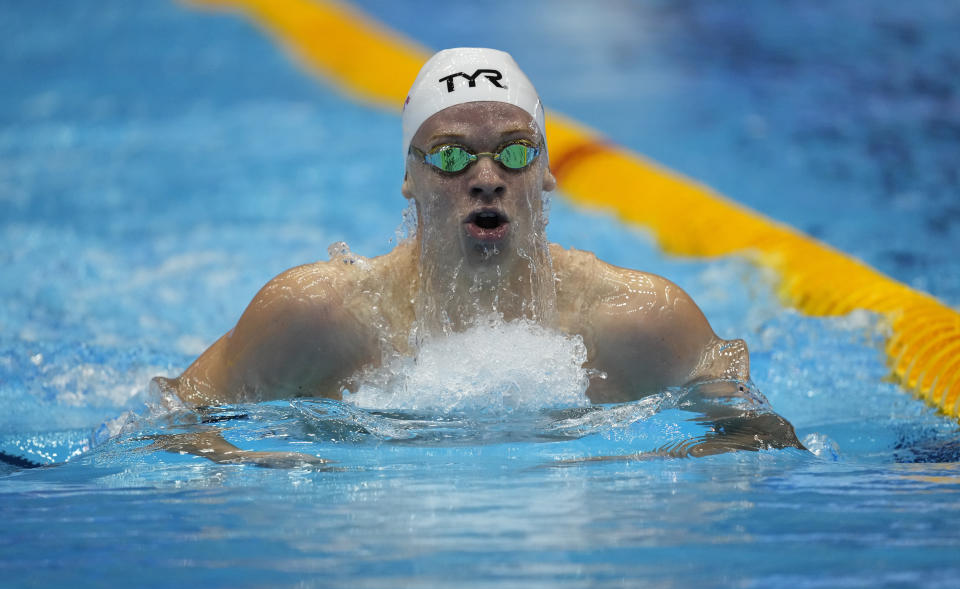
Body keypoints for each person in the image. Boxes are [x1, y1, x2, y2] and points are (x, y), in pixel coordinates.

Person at [151, 48, 802, 464]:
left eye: (514, 150)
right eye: (453, 154)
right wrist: (266, 469)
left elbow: (765, 437)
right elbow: (170, 425)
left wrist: (637, 468)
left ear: (544, 172)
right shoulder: (316, 317)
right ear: (410, 175)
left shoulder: (640, 320)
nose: (486, 175)